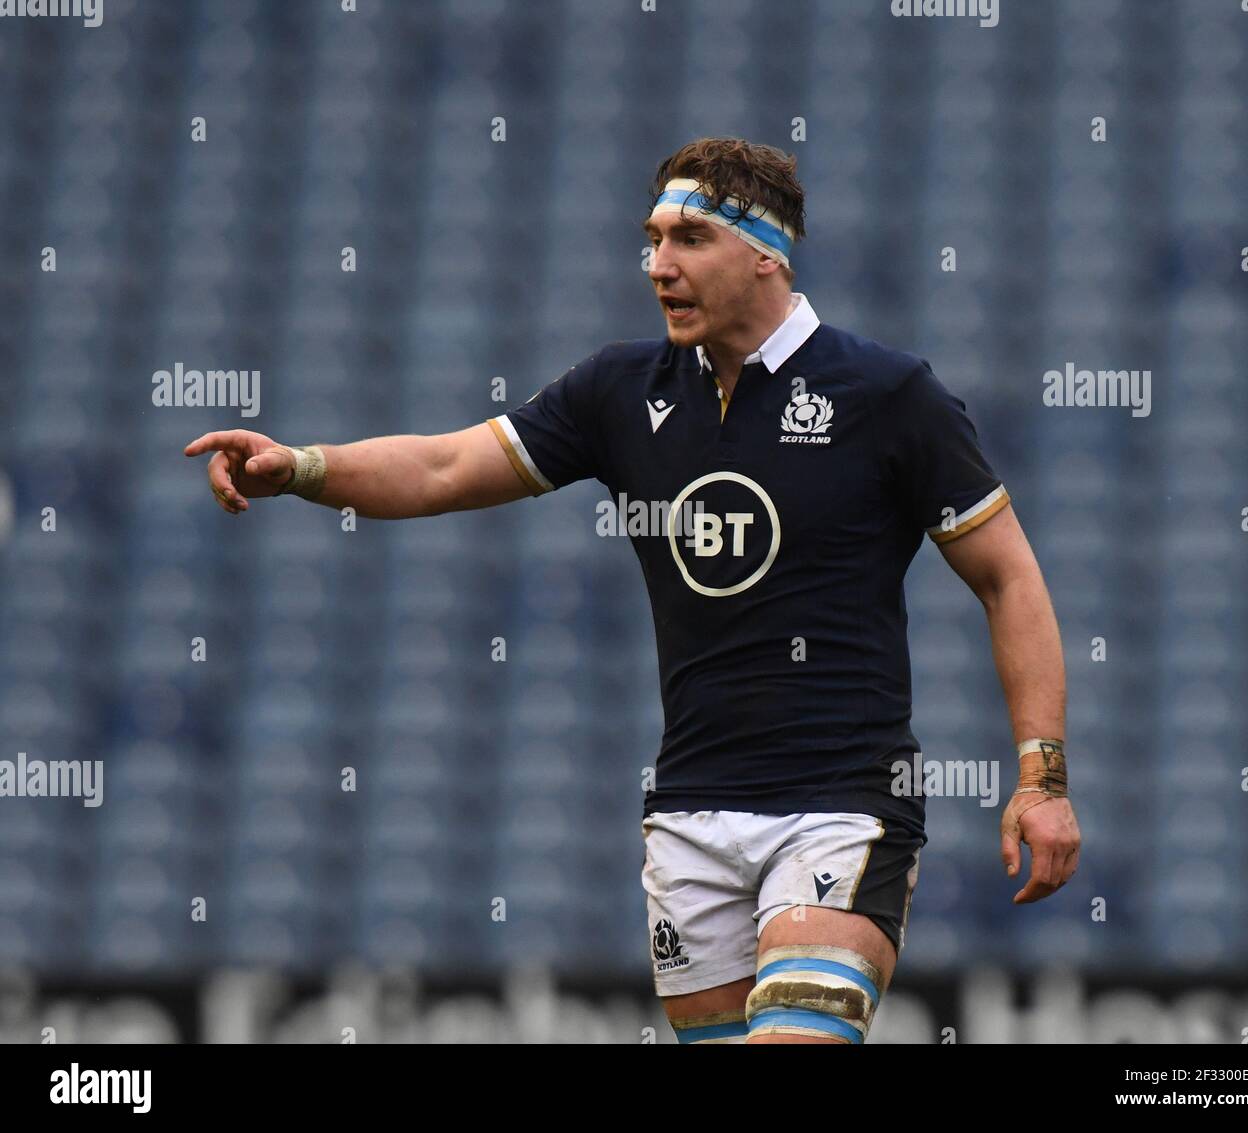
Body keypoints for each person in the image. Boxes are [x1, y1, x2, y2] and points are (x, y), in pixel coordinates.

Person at [185, 136, 1081, 1045]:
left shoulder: (889, 394)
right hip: (689, 814)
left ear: (765, 252)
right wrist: (300, 466)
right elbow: (446, 466)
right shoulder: (620, 389)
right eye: (652, 240)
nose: (658, 266)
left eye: (688, 238)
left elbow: (1009, 578)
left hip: (841, 804)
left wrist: (1040, 776)